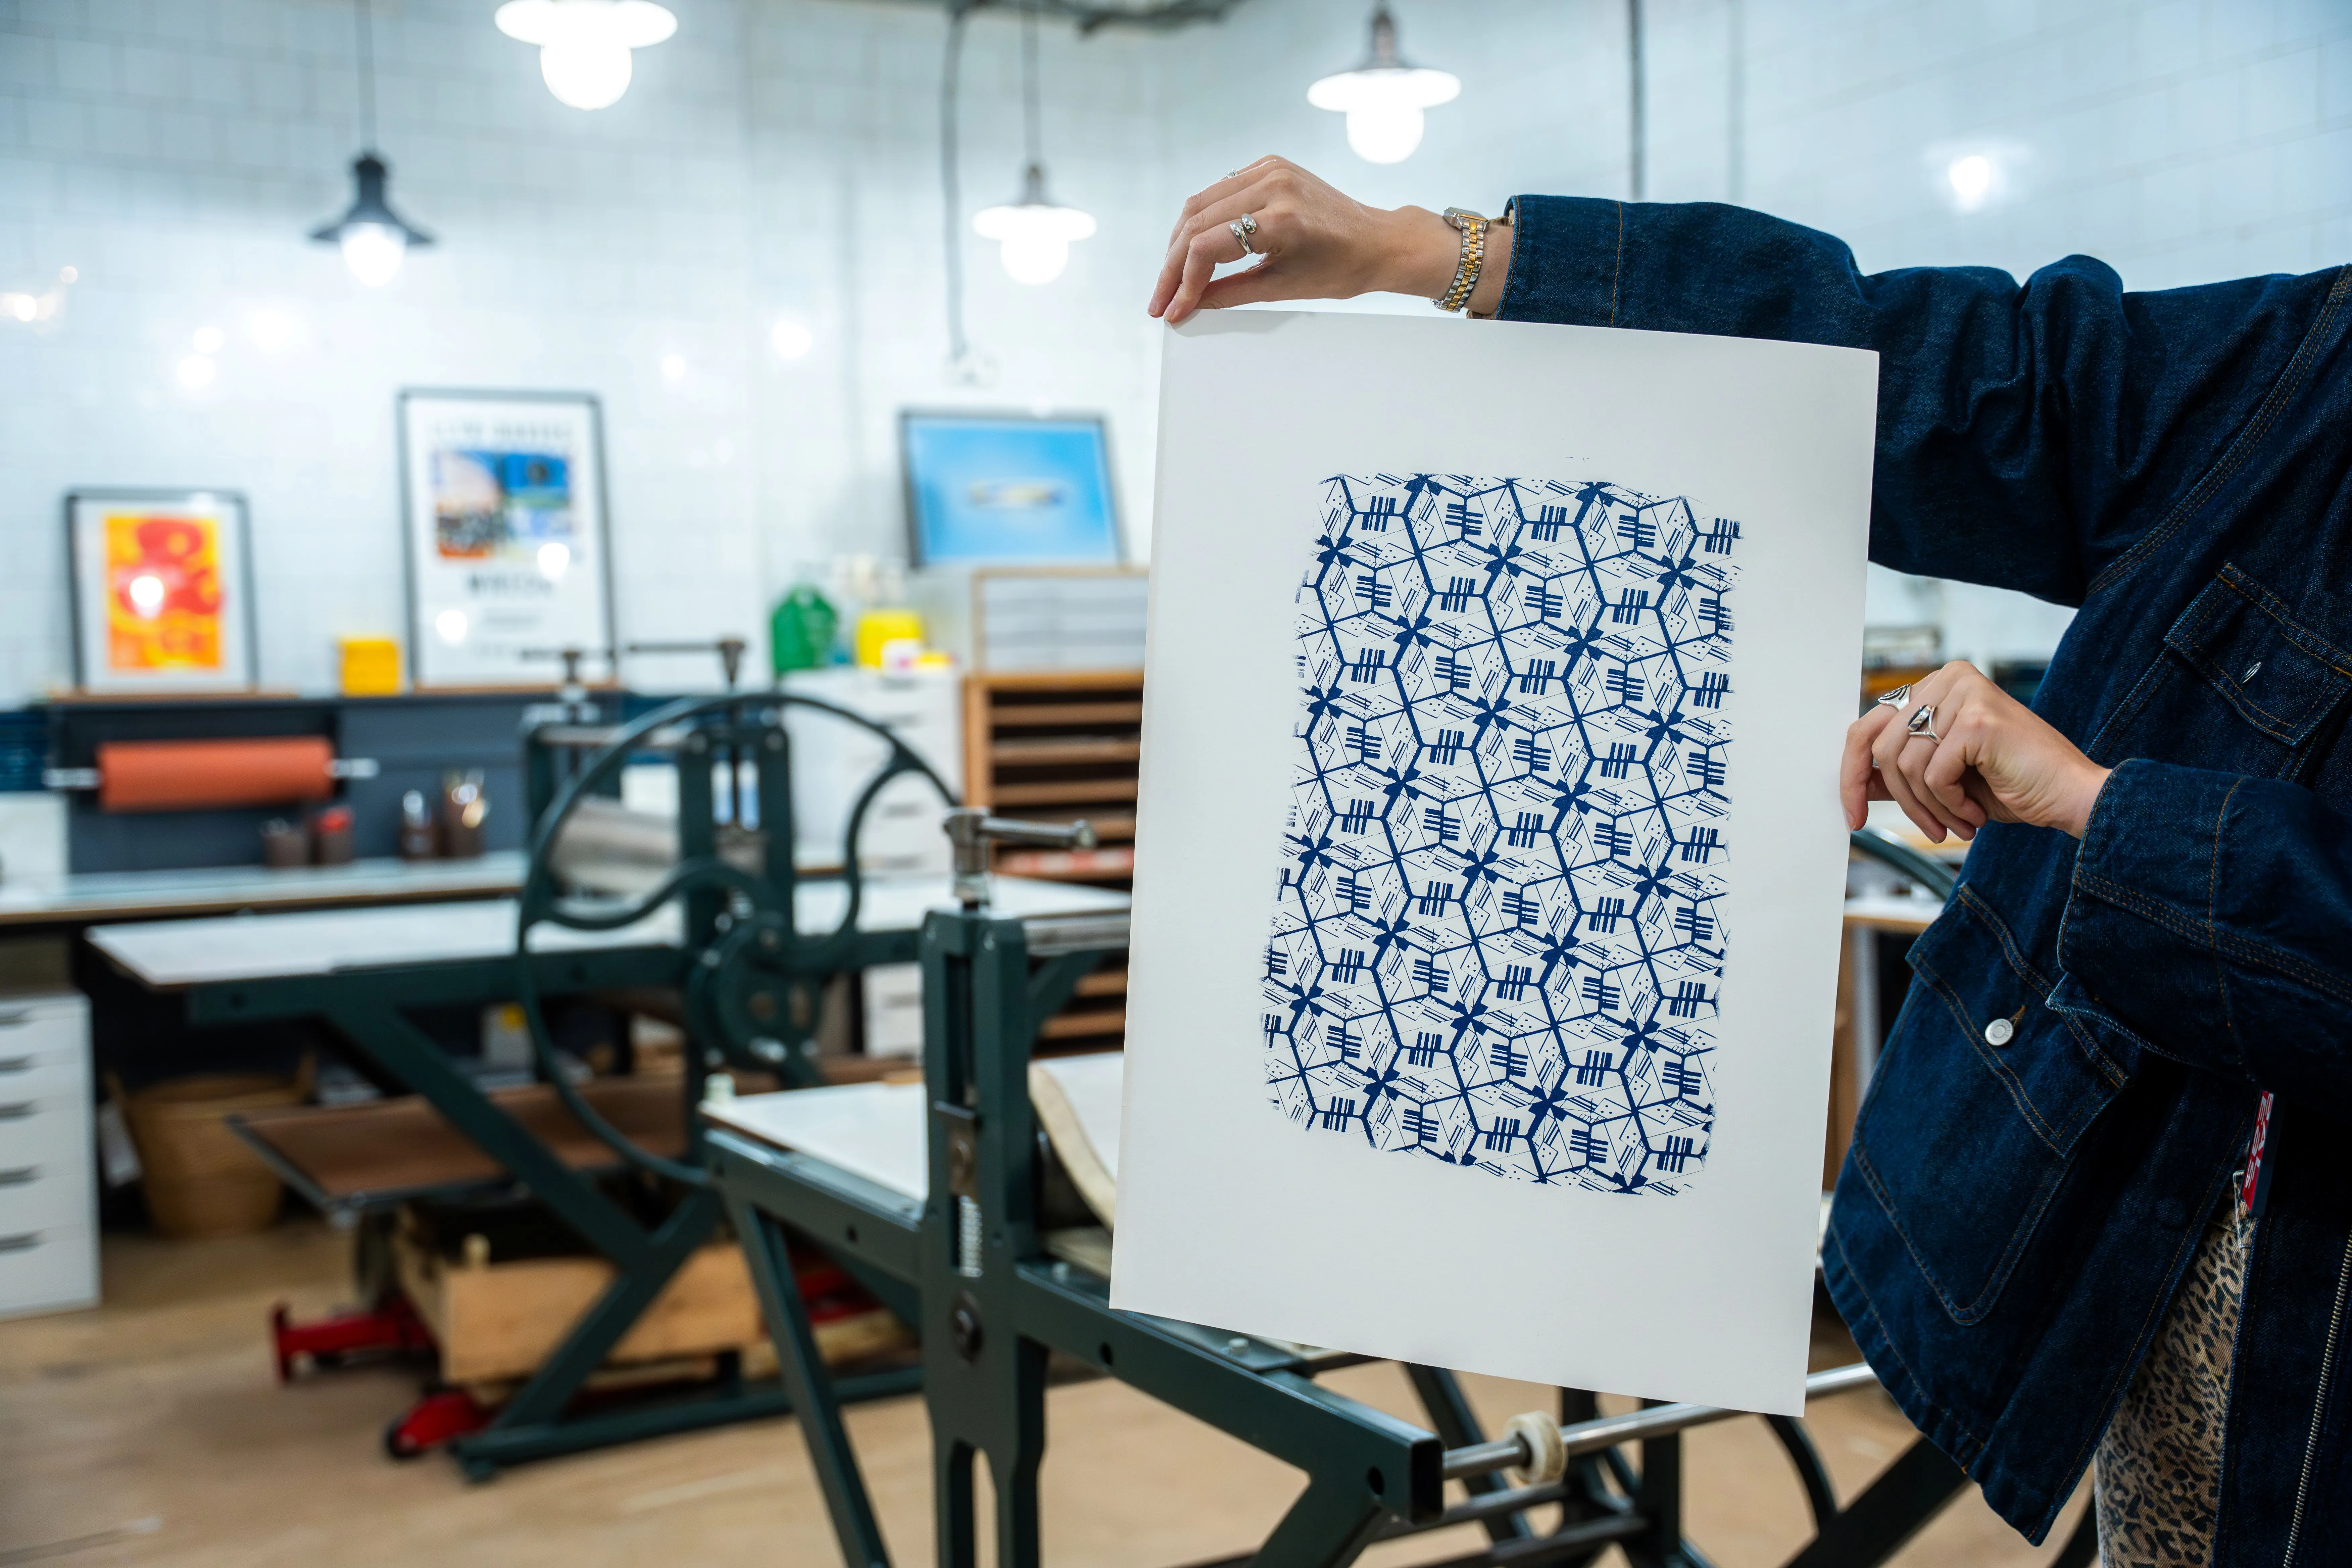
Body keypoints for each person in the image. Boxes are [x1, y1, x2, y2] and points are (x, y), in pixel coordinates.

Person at [1150, 159, 2352, 1565]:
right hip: (2175, 1343)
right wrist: (1442, 256)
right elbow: (1971, 382)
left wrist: (2101, 806)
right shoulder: (2317, 368)